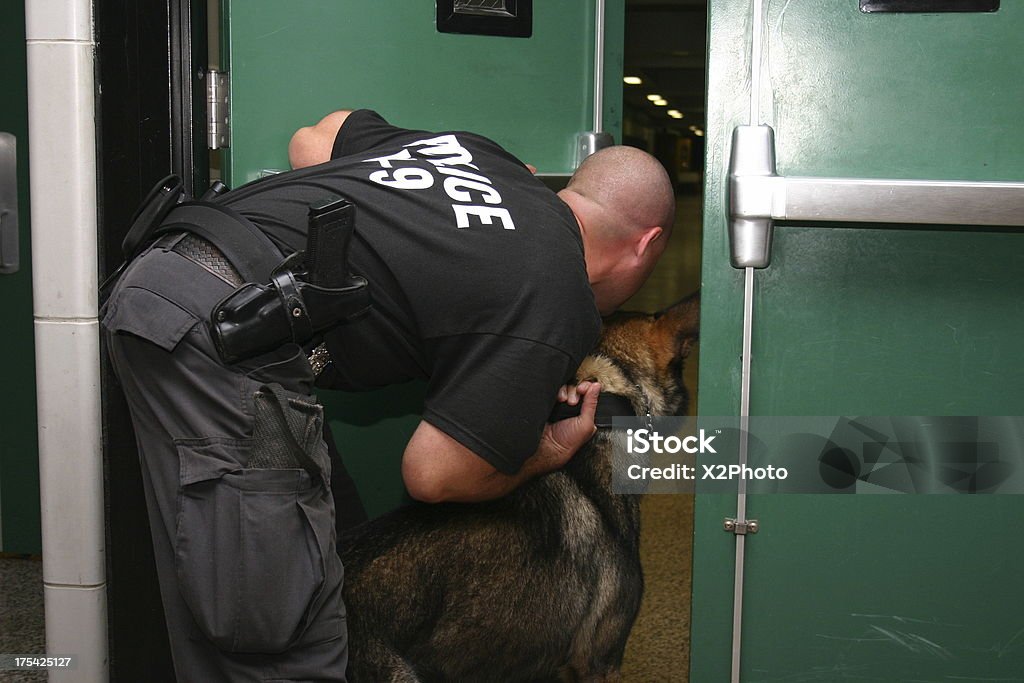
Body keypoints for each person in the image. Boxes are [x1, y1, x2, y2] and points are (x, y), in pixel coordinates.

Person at [102, 108, 675, 681]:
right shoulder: (560, 297)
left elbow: (312, 140)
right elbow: (434, 475)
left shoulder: (484, 155)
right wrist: (546, 450)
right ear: (645, 245)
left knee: (320, 558)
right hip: (219, 334)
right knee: (279, 622)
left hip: (184, 277)